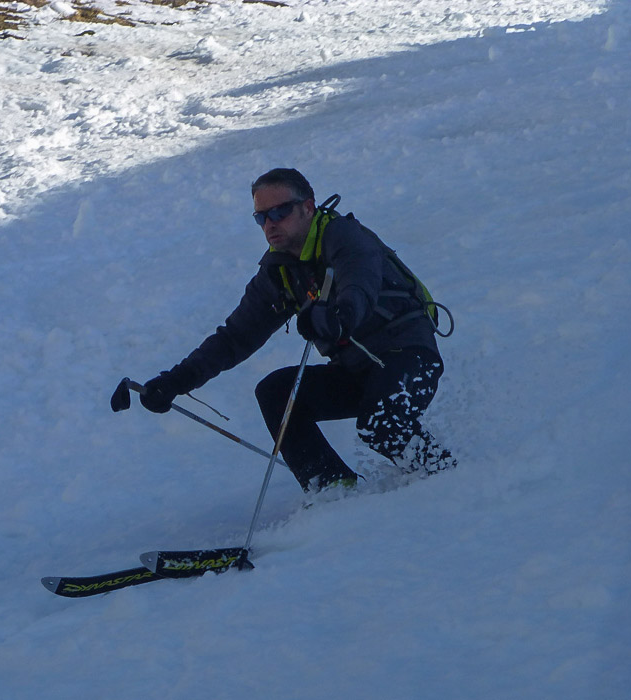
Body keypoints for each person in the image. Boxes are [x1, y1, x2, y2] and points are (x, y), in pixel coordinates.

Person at [134, 168, 455, 493]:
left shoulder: (344, 238)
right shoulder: (280, 271)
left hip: (409, 355)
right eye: (261, 217)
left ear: (308, 207)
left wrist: (338, 317)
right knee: (276, 392)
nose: (271, 223)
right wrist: (176, 381)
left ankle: (446, 478)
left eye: (279, 211)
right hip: (357, 370)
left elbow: (360, 285)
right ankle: (333, 491)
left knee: (380, 424)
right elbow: (235, 338)